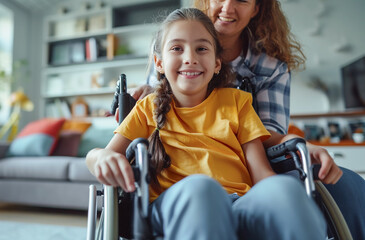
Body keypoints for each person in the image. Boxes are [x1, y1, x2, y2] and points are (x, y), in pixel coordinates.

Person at [130, 1, 365, 238]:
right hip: (181, 185)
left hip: (248, 167)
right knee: (201, 191)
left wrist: (296, 143)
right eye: (177, 49)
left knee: (335, 185)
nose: (228, 7)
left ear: (257, 8)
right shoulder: (170, 48)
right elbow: (158, 94)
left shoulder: (248, 91)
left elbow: (265, 139)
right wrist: (143, 94)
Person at [87, 8, 326, 239]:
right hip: (177, 204)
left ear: (217, 63)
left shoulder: (238, 102)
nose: (190, 58)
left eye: (201, 48)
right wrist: (102, 157)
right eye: (177, 48)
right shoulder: (147, 108)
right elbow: (97, 156)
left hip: (240, 203)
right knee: (202, 189)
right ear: (159, 63)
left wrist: (285, 181)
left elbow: (262, 173)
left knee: (285, 190)